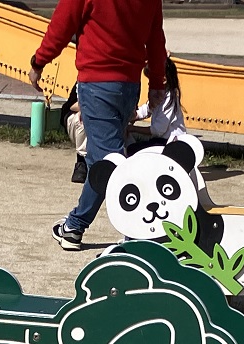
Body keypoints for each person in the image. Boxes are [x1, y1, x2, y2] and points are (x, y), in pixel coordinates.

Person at [29, 0, 167, 251]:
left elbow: (62, 24)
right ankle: (74, 227)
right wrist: (157, 82)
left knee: (108, 164)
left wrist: (39, 61)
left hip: (97, 83)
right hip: (129, 86)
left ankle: (131, 233)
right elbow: (156, 37)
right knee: (104, 158)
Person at [128, 55, 186, 153]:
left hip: (170, 143)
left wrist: (133, 129)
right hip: (161, 140)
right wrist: (134, 116)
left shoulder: (170, 99)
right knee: (134, 148)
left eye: (151, 80)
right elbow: (148, 109)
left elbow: (158, 130)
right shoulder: (160, 95)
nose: (149, 83)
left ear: (163, 80)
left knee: (133, 150)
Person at [60, 84, 88, 184]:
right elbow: (73, 105)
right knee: (85, 119)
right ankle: (82, 162)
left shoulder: (130, 82)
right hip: (76, 117)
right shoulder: (90, 76)